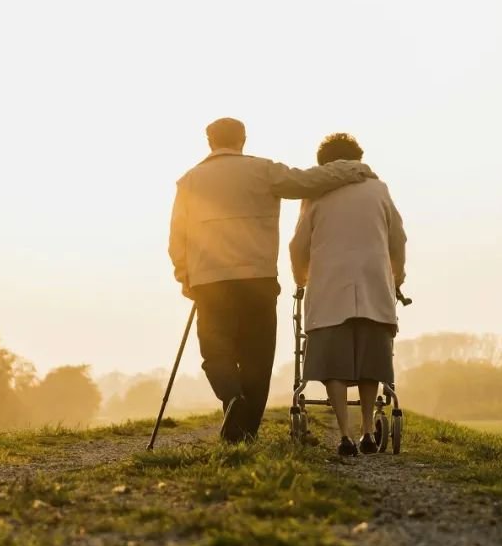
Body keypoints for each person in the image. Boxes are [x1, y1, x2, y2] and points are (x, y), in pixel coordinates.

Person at [169, 117, 376, 442]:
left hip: (210, 280)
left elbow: (177, 238)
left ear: (209, 140)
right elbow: (311, 181)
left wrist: (185, 276)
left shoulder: (189, 182)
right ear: (243, 139)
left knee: (215, 351)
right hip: (258, 279)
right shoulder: (263, 171)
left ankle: (231, 397)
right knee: (258, 357)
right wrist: (354, 169)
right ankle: (245, 433)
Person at [289, 132, 406, 456]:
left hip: (330, 288)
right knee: (371, 363)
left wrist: (301, 279)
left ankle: (344, 434)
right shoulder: (378, 189)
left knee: (334, 365)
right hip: (373, 285)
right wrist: (398, 275)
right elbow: (398, 238)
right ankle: (369, 429)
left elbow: (298, 245)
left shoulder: (316, 193)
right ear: (359, 157)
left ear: (323, 164)